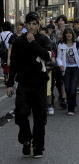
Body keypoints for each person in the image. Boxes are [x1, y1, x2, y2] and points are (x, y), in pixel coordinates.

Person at [7, 12, 51, 158]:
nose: (32, 26)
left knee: (39, 117)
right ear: (25, 25)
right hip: (24, 83)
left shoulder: (44, 39)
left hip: (39, 83)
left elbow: (47, 56)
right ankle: (26, 139)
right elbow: (13, 64)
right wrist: (10, 83)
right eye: (29, 23)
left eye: (34, 23)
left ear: (39, 25)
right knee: (20, 114)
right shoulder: (18, 41)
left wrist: (33, 43)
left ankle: (38, 147)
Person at [57, 28, 79, 114]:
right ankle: (73, 103)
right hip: (66, 69)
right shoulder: (61, 45)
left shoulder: (77, 44)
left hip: (75, 69)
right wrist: (60, 65)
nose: (68, 34)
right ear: (64, 35)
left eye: (70, 33)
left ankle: (71, 109)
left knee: (73, 88)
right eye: (66, 33)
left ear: (72, 34)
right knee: (67, 88)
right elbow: (58, 58)